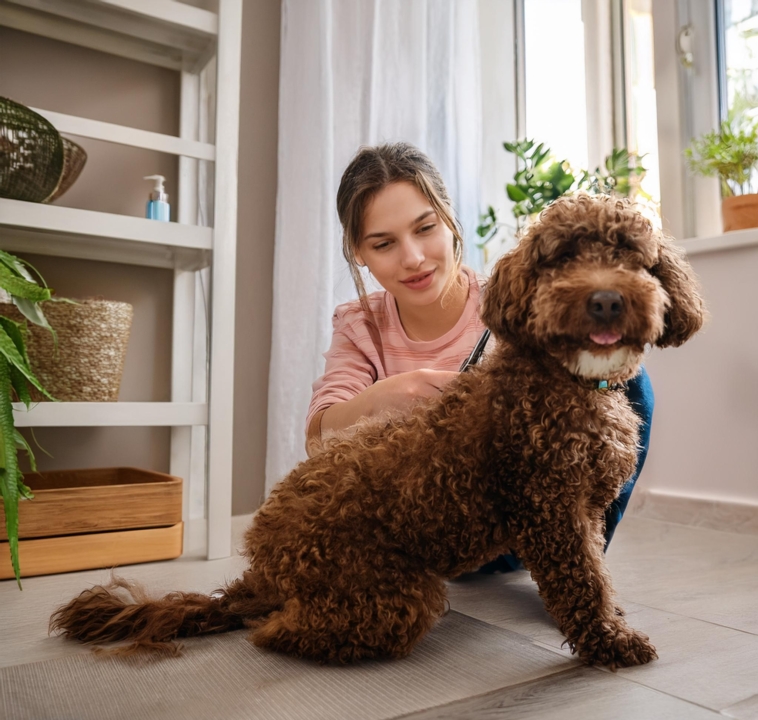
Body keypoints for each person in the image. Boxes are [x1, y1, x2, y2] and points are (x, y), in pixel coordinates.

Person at [305, 142, 653, 568]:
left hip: (522, 514)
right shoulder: (359, 325)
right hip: (424, 526)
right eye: (383, 244)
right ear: (358, 253)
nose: (413, 258)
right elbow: (318, 438)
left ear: (450, 219)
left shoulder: (511, 302)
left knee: (629, 381)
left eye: (425, 228)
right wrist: (382, 398)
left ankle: (575, 560)